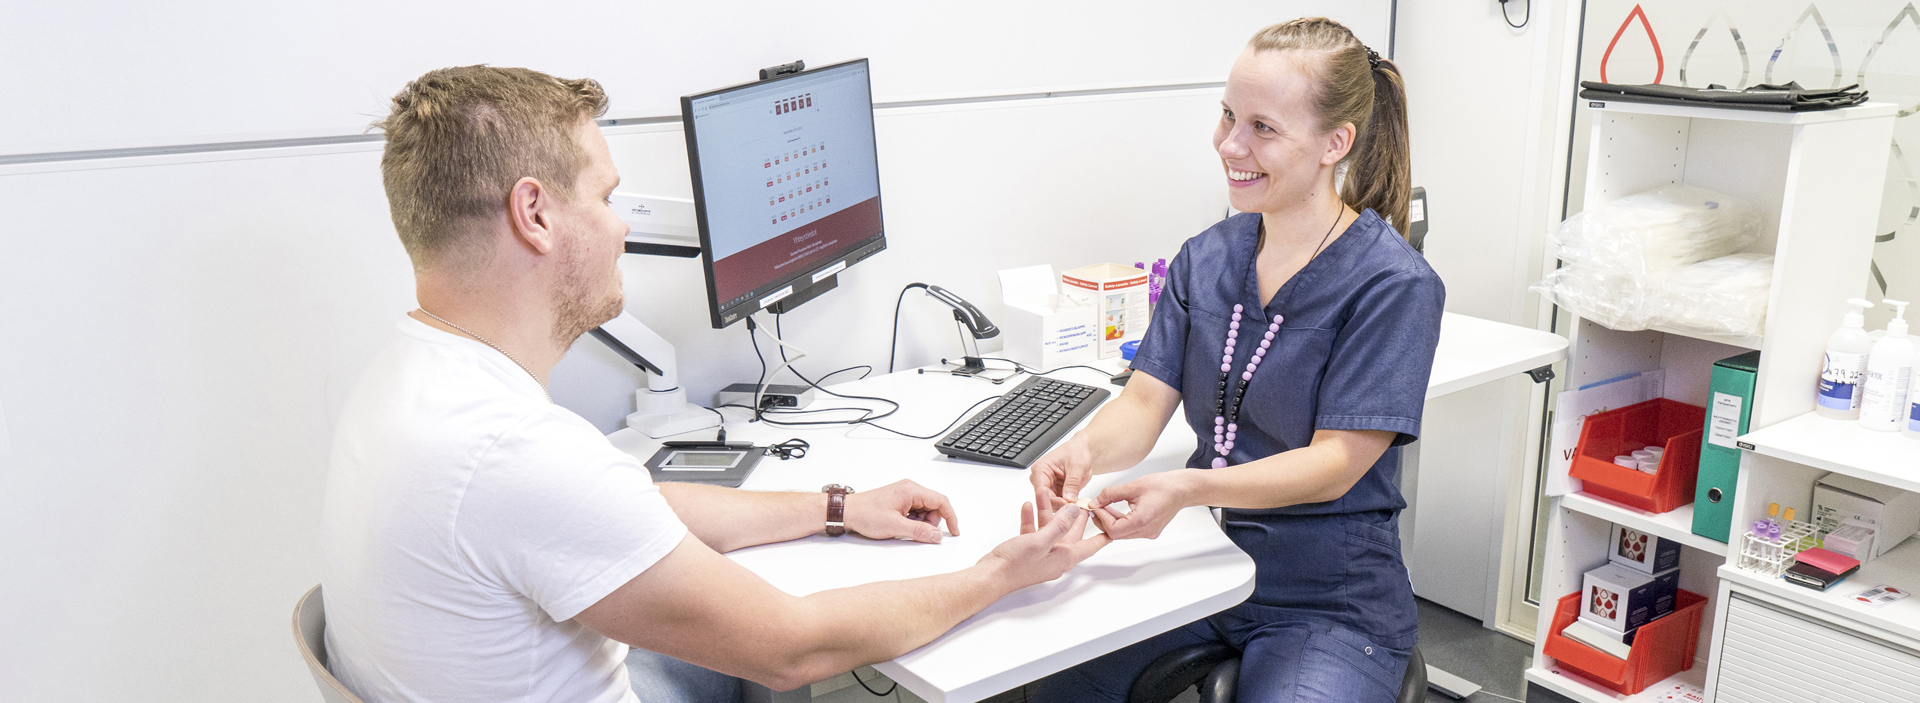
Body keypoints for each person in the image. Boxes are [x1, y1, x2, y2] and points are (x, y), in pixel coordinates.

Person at [319, 65, 1108, 703]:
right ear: (534, 213)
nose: (624, 224)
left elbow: (632, 504)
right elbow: (797, 647)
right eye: (604, 196)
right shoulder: (512, 451)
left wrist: (834, 508)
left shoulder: (409, 376)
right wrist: (1000, 571)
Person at [1028, 18, 1443, 703]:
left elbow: (1335, 462)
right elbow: (1141, 404)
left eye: (1262, 127)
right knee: (1054, 692)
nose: (1230, 144)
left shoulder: (1392, 284)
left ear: (1334, 143)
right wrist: (1082, 452)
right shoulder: (1208, 257)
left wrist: (1188, 489)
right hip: (1201, 567)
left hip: (1327, 602)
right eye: (1227, 116)